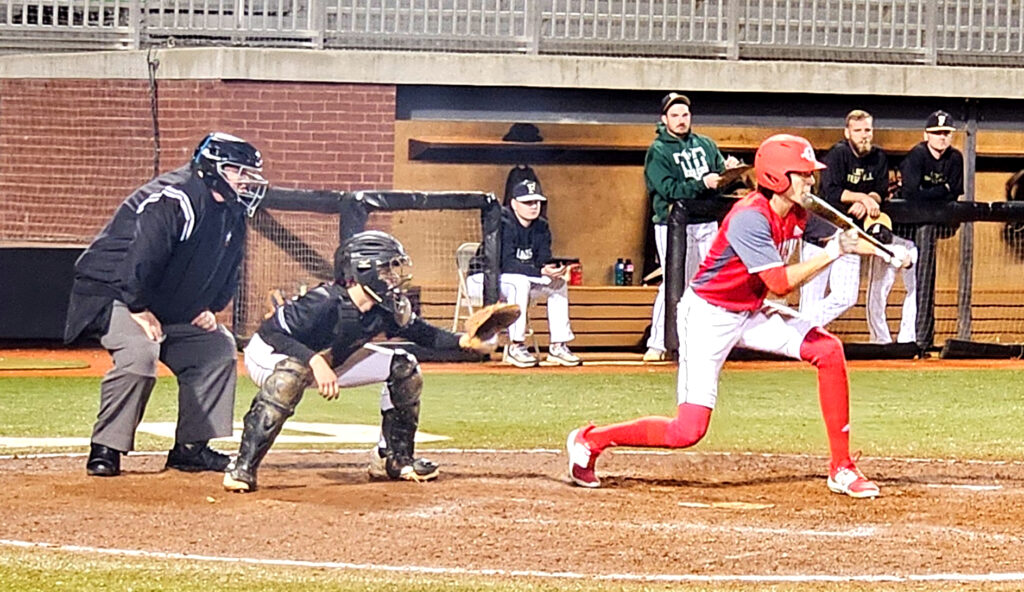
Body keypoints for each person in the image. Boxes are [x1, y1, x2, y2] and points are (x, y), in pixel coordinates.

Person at [567, 134, 884, 499]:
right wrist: (834, 253)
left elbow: (837, 232)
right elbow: (779, 283)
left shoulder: (795, 211)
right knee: (686, 431)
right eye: (803, 174)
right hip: (708, 316)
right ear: (778, 178)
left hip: (748, 311)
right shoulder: (749, 218)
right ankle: (591, 440)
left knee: (828, 350)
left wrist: (874, 241)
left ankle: (841, 466)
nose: (810, 181)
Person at [223, 230, 496, 492]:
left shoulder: (385, 308)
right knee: (291, 375)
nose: (392, 277)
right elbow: (272, 333)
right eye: (386, 270)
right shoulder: (323, 302)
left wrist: (464, 341)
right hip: (269, 356)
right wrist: (315, 362)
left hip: (329, 362)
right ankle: (242, 466)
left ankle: (394, 458)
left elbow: (423, 334)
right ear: (364, 270)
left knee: (405, 366)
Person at [64, 132, 268, 477]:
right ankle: (106, 448)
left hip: (166, 301)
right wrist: (139, 308)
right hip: (118, 294)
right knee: (140, 356)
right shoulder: (175, 198)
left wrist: (210, 305)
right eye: (240, 172)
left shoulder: (232, 211)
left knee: (216, 348)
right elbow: (142, 258)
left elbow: (228, 264)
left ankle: (191, 448)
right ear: (215, 168)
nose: (247, 181)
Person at [643, 92, 740, 362]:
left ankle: (703, 340)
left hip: (706, 220)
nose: (681, 120)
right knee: (674, 282)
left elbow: (719, 178)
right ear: (664, 119)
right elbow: (667, 189)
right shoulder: (659, 150)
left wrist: (728, 173)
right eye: (675, 115)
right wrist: (703, 183)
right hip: (674, 224)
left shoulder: (705, 144)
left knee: (708, 282)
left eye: (685, 114)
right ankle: (659, 343)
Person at [465, 179, 581, 368]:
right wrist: (539, 270)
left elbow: (543, 259)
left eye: (537, 202)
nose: (534, 207)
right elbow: (506, 263)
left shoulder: (541, 227)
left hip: (517, 281)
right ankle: (515, 346)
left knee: (557, 284)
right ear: (514, 203)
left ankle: (558, 346)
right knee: (519, 282)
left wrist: (553, 270)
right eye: (528, 202)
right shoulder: (501, 222)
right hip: (483, 280)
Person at [799, 109, 888, 329]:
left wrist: (868, 200)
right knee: (811, 298)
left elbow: (880, 191)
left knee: (846, 296)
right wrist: (862, 198)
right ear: (847, 133)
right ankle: (801, 340)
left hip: (851, 234)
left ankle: (800, 329)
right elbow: (831, 192)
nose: (863, 135)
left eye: (867, 130)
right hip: (820, 234)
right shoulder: (837, 154)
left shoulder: (878, 156)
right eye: (857, 131)